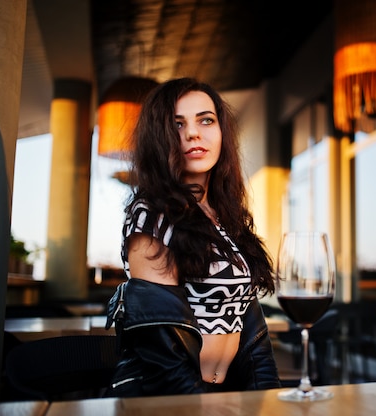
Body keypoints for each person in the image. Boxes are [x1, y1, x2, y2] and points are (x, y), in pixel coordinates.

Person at [105, 77, 281, 397]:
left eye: (206, 120)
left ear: (222, 132)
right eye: (177, 123)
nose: (193, 132)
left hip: (228, 393)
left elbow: (257, 345)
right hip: (168, 400)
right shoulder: (152, 218)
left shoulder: (226, 217)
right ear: (159, 138)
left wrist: (267, 400)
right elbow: (165, 364)